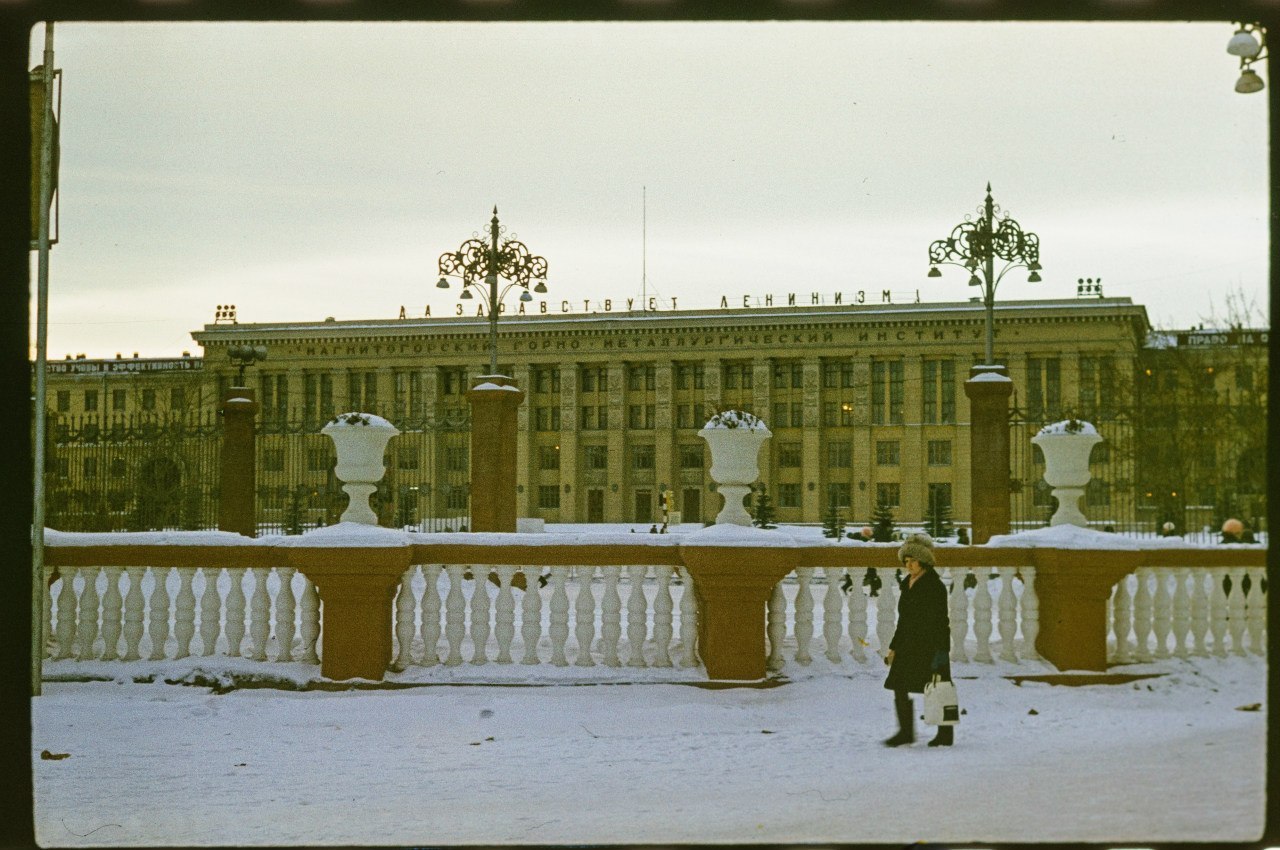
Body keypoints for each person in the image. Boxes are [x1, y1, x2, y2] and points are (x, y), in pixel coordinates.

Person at [883, 532, 953, 748]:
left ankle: (945, 734)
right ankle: (905, 732)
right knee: (899, 685)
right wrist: (893, 647)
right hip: (907, 645)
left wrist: (942, 651)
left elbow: (942, 621)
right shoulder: (908, 584)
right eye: (906, 560)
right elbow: (903, 620)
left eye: (913, 560)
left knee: (938, 688)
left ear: (923, 561)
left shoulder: (934, 586)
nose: (909, 565)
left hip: (929, 646)